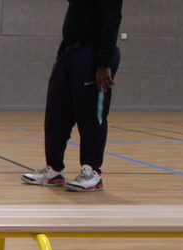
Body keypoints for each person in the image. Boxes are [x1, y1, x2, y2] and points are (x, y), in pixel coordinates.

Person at [21, 0, 123, 192]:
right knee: (57, 114)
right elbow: (75, 21)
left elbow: (112, 21)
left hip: (93, 56)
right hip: (70, 53)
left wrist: (103, 63)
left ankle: (92, 172)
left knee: (91, 116)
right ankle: (53, 169)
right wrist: (61, 55)